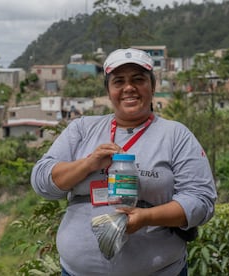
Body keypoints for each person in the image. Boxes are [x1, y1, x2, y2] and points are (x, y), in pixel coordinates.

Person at [31, 48, 217, 276]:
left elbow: (201, 200)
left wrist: (147, 218)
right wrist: (89, 164)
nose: (129, 88)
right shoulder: (82, 129)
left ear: (152, 86)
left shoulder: (176, 135)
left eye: (138, 79)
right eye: (119, 81)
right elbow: (42, 181)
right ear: (109, 91)